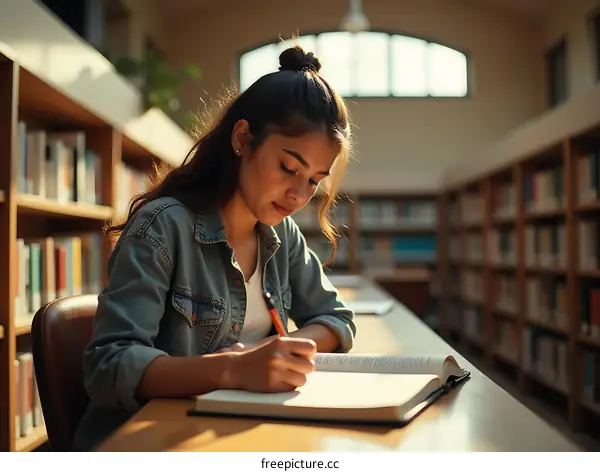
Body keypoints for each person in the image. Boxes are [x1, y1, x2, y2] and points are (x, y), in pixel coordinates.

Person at [71, 45, 356, 452]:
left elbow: (336, 320)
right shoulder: (163, 225)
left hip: (239, 435)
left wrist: (272, 353)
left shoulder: (282, 234)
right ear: (242, 139)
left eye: (314, 181)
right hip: (153, 444)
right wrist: (233, 368)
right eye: (289, 168)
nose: (298, 194)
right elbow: (109, 365)